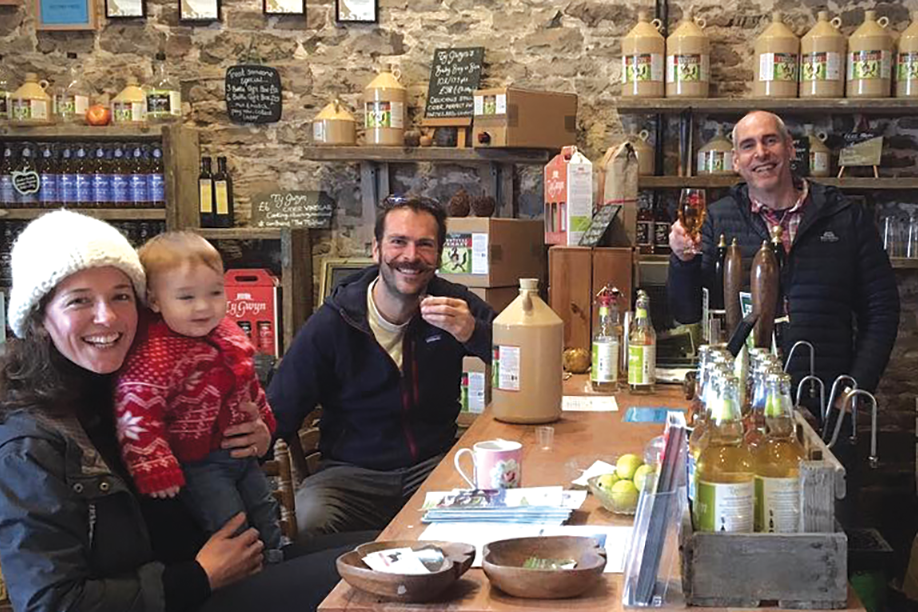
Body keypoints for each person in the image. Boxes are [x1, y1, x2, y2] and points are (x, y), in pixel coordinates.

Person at [0, 210, 372, 612]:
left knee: (386, 549)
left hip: (224, 562)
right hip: (187, 592)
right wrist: (197, 577)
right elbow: (50, 602)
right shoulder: (30, 443)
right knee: (374, 581)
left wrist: (256, 436)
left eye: (121, 296)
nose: (107, 316)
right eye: (79, 301)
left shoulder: (134, 379)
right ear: (39, 318)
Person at [268, 195, 495, 535]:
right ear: (376, 250)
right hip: (350, 476)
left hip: (433, 467)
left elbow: (522, 357)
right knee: (309, 519)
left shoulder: (454, 304)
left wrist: (474, 333)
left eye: (425, 245)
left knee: (494, 517)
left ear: (440, 255)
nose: (411, 256)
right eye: (398, 242)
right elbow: (279, 410)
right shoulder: (335, 320)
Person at [667, 110, 900, 401]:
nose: (761, 153)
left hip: (824, 398)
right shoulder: (716, 219)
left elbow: (882, 311)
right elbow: (687, 312)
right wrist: (682, 261)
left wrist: (855, 389)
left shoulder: (845, 217)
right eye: (748, 145)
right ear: (736, 162)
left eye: (770, 141)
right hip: (740, 399)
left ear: (790, 148)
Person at [114, 232, 282, 562]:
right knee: (228, 521)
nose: (204, 306)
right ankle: (249, 578)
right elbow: (136, 413)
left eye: (215, 292)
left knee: (265, 508)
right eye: (186, 297)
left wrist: (264, 420)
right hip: (197, 462)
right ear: (155, 301)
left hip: (239, 452)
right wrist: (153, 465)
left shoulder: (228, 333)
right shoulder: (154, 355)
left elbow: (249, 385)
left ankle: (278, 561)